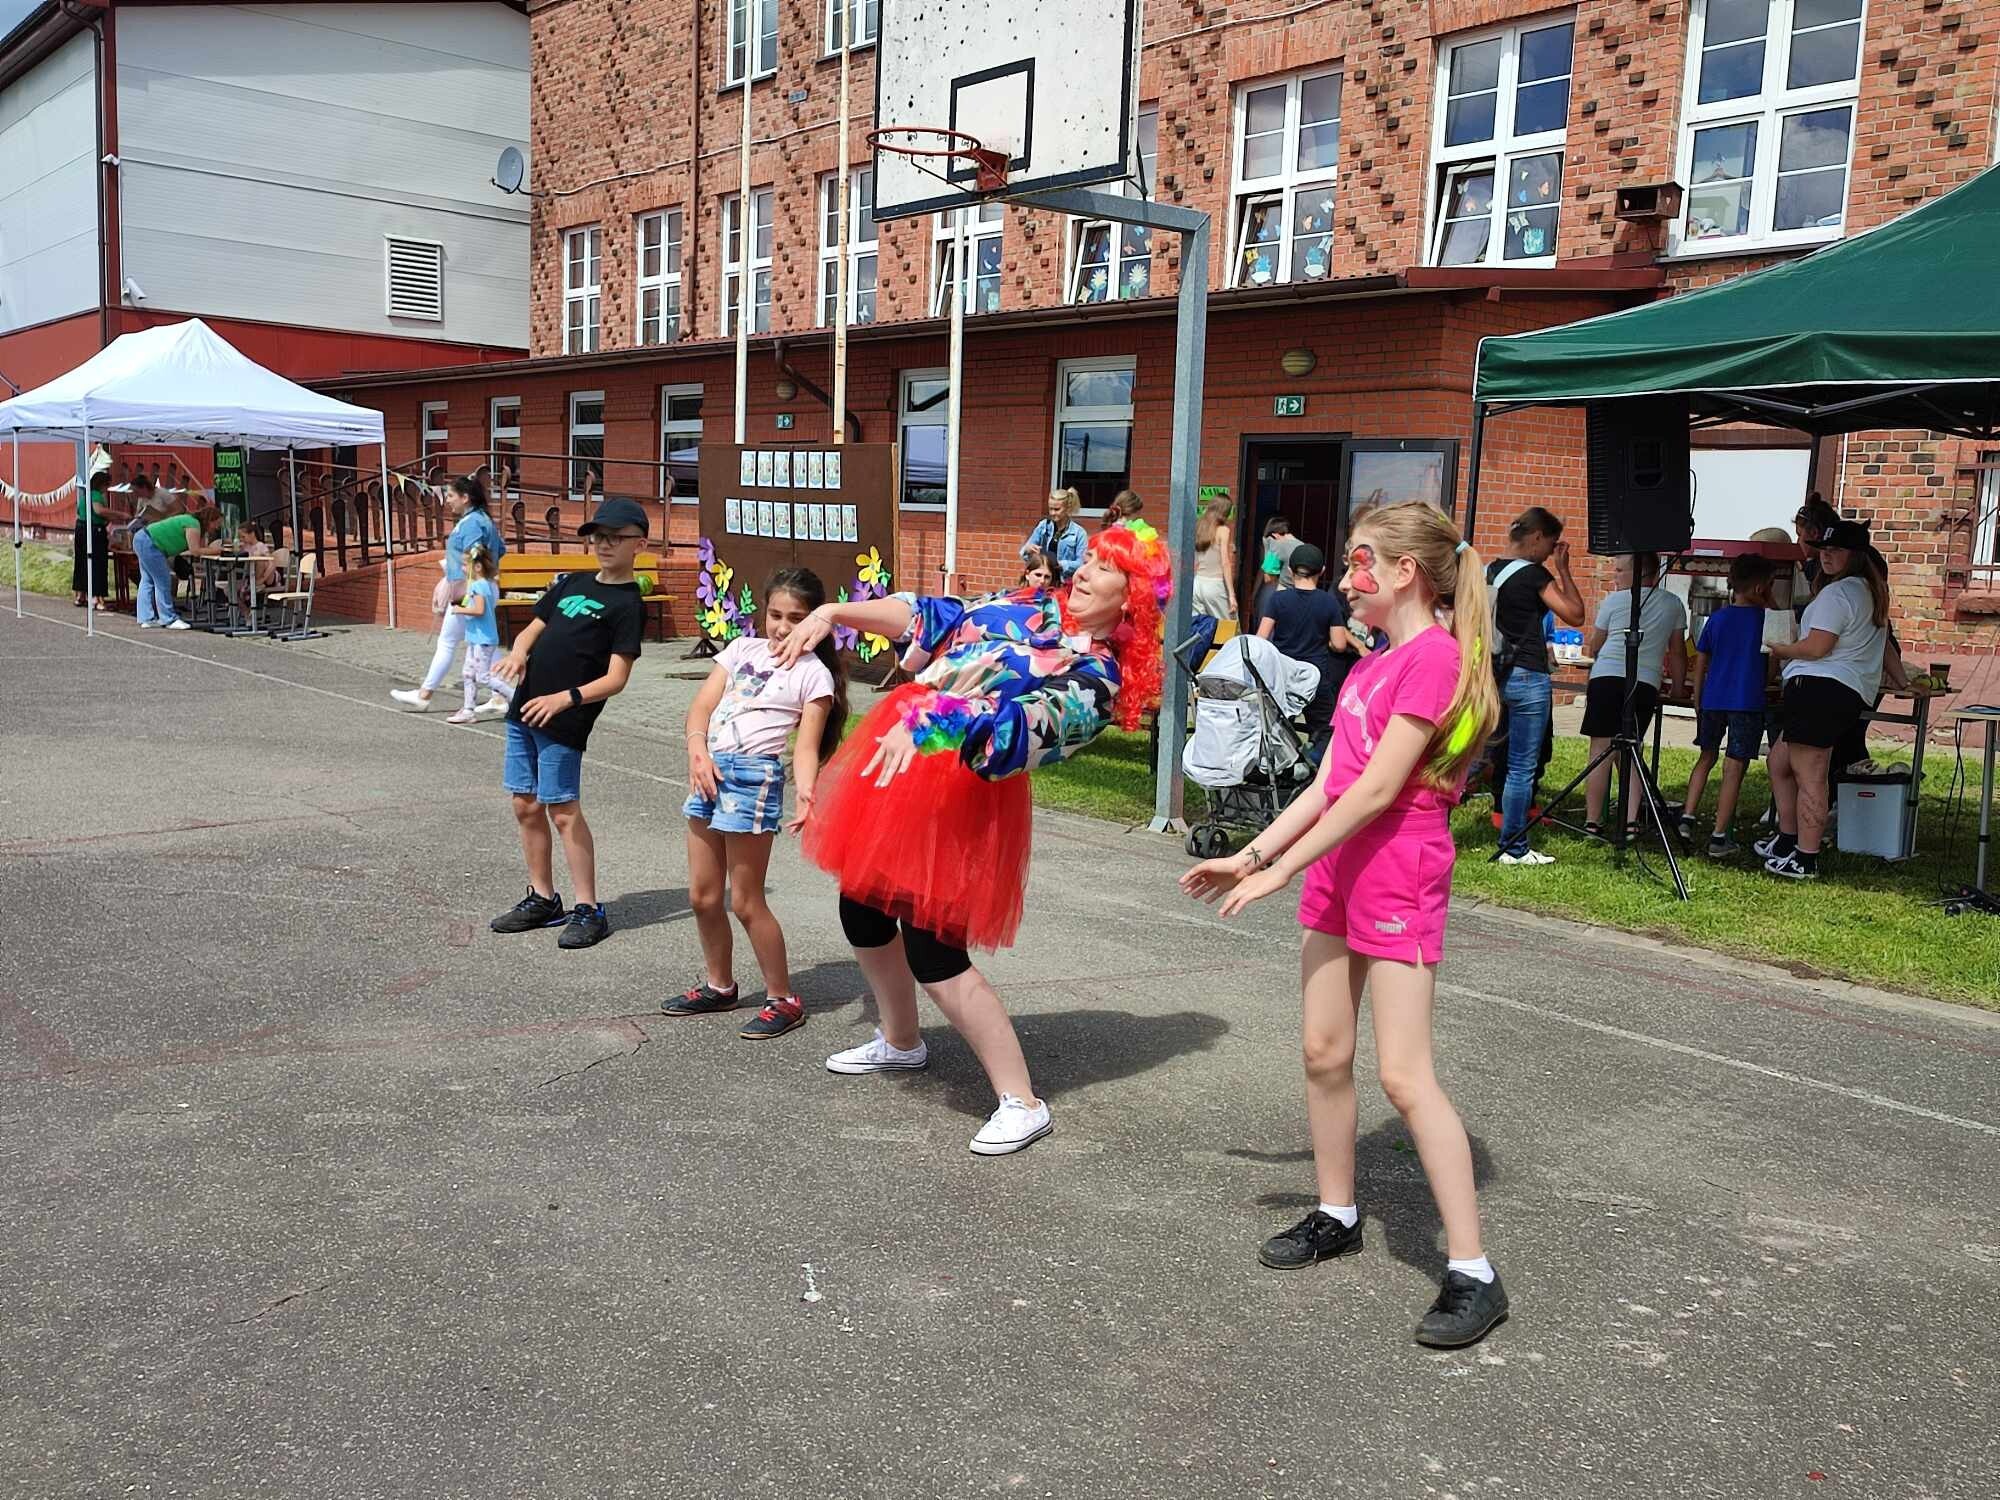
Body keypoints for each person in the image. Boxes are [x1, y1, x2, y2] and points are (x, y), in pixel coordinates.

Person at [1181, 501, 1507, 1349]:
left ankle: (1473, 1270)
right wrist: (1252, 855)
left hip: (1399, 866)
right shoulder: (1372, 665)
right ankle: (1338, 1212)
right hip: (1338, 865)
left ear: (1406, 571)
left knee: (1404, 1076)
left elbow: (1378, 791)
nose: (1346, 580)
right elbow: (1329, 784)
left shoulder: (1434, 660)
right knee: (1324, 1051)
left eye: (1361, 562)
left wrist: (1281, 870)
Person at [774, 521, 1172, 1156]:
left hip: (960, 789)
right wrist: (833, 611)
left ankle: (1022, 1102)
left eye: (1105, 568)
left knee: (934, 949)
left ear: (1133, 599)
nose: (1083, 571)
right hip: (898, 760)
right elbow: (938, 616)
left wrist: (933, 717)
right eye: (1089, 558)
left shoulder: (1097, 676)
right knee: (862, 908)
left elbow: (1026, 727)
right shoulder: (1030, 601)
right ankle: (900, 1040)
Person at [667, 569, 847, 1040]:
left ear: (815, 622)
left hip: (753, 778)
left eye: (796, 618)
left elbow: (805, 747)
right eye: (775, 615)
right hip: (708, 769)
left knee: (746, 901)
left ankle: (783, 999)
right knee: (702, 896)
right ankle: (719, 986)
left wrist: (806, 791)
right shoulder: (742, 649)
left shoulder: (813, 674)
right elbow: (700, 708)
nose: (783, 627)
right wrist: (697, 750)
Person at [487, 497, 648, 949]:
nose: (604, 544)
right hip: (525, 707)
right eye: (598, 537)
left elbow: (616, 678)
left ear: (639, 544)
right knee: (524, 803)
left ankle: (589, 908)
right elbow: (530, 630)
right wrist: (518, 654)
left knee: (561, 809)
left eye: (615, 537)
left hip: (563, 718)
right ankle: (542, 898)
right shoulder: (573, 582)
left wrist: (565, 699)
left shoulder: (628, 604)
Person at [1759, 521, 1894, 881]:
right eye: (1824, 549)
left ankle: (1806, 857)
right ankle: (1788, 839)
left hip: (1818, 688)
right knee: (1779, 762)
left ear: (1856, 555)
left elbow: (1818, 647)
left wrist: (1781, 649)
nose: (1827, 556)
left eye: (1836, 550)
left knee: (1811, 776)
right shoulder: (1872, 592)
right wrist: (1902, 681)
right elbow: (1886, 648)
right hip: (1840, 692)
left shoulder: (1838, 594)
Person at [1486, 508, 1584, 865]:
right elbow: (1575, 614)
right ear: (1538, 537)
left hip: (1494, 675)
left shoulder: (1487, 571)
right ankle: (1513, 848)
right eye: (1551, 544)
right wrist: (1564, 570)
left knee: (1482, 755)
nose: (1549, 552)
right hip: (1528, 676)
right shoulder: (1534, 575)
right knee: (1521, 767)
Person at [1581, 553, 1689, 838]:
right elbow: (1677, 651)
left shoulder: (1614, 601)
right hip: (1645, 683)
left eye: (1620, 571)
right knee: (1631, 749)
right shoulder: (1673, 604)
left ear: (1640, 572)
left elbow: (1596, 644)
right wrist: (1678, 688)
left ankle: (1593, 821)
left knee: (1600, 750)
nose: (1615, 576)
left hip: (1606, 678)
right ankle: (1630, 821)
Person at [1678, 555, 1774, 856]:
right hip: (1747, 701)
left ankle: (1687, 818)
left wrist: (1698, 698)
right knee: (1734, 766)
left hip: (1713, 699)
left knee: (1706, 757)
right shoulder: (1766, 620)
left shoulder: (1717, 618)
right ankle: (1719, 835)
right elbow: (1772, 667)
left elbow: (1701, 662)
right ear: (1760, 588)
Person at [393, 475, 509, 711]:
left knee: (447, 641)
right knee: (483, 640)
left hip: (468, 589)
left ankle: (425, 694)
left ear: (465, 498)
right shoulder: (483, 520)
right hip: (484, 586)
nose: (447, 500)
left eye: (451, 495)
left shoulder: (471, 523)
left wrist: (454, 579)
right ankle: (500, 695)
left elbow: (474, 555)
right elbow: (501, 549)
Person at [1255, 543, 1361, 762]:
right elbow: (1339, 644)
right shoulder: (1329, 602)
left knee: (1279, 725)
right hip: (1316, 676)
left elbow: (1261, 638)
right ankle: (1313, 762)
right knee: (1325, 727)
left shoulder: (1278, 599)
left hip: (1284, 675)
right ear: (1321, 571)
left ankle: (1283, 766)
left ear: (1291, 570)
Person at [444, 543, 512, 726]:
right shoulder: (479, 585)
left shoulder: (479, 586)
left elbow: (479, 610)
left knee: (483, 677)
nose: (463, 568)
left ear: (478, 567)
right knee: (468, 673)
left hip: (483, 639)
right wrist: (460, 603)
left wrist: (460, 610)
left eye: (465, 565)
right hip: (475, 638)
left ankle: (515, 697)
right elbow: (471, 603)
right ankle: (468, 710)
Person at [134, 505, 222, 630]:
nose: (217, 527)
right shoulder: (193, 525)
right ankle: (168, 618)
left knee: (147, 580)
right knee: (163, 580)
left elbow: (200, 546)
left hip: (142, 538)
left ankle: (146, 618)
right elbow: (195, 550)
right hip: (152, 544)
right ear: (210, 520)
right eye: (217, 523)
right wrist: (218, 551)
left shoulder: (190, 521)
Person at [1020, 488, 1089, 583]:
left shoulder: (1078, 533)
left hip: (1065, 582)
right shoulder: (1043, 526)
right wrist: (1028, 549)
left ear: (1068, 508)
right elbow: (1025, 553)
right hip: (1044, 581)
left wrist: (1061, 564)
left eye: (1057, 509)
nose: (1052, 513)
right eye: (1050, 509)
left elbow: (1082, 563)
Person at [1191, 492, 1239, 622]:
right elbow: (1225, 563)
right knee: (1228, 626)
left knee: (1199, 627)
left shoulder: (1199, 528)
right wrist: (1232, 595)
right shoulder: (1223, 530)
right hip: (1215, 585)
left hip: (1197, 583)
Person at [73, 474, 114, 609]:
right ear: (102, 484)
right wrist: (117, 514)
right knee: (97, 563)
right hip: (94, 531)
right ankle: (96, 597)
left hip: (81, 528)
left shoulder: (85, 496)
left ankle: (80, 594)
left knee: (81, 562)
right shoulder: (96, 495)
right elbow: (98, 510)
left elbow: (79, 512)